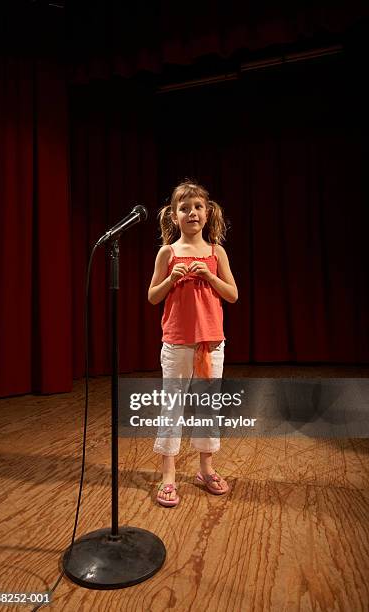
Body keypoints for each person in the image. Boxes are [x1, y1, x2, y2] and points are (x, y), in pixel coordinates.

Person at [148, 180, 238, 507]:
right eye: (184, 208)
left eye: (198, 207)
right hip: (177, 343)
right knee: (171, 407)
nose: (192, 213)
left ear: (207, 212)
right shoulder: (168, 253)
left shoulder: (217, 253)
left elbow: (233, 294)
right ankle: (168, 475)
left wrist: (210, 278)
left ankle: (205, 468)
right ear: (174, 216)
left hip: (211, 344)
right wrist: (171, 279)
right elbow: (152, 296)